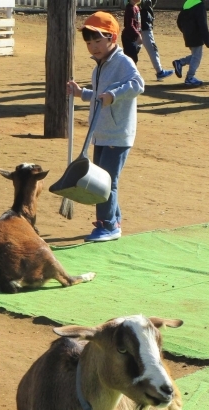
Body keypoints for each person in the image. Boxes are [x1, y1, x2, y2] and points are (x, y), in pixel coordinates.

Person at [68, 11, 145, 242]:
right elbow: (101, 98)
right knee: (104, 180)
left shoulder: (122, 62)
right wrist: (83, 93)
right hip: (100, 133)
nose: (93, 47)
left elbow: (137, 84)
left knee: (105, 183)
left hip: (117, 134)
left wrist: (114, 94)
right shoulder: (99, 67)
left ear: (112, 37)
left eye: (98, 41)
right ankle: (114, 220)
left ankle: (108, 226)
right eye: (89, 43)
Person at [172, 0, 209, 87]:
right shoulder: (200, 6)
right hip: (196, 35)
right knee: (197, 57)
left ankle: (180, 62)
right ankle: (190, 77)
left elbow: (179, 21)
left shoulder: (188, 3)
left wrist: (185, 31)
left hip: (188, 34)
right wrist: (207, 40)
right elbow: (202, 24)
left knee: (195, 55)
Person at [140, 0, 175, 81]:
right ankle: (160, 72)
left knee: (133, 51)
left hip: (142, 24)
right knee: (152, 49)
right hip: (144, 25)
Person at [121, 0, 143, 65]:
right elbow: (129, 25)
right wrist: (138, 35)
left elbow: (138, 23)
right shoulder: (130, 9)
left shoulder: (136, 7)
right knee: (131, 59)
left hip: (134, 37)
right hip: (128, 37)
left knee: (133, 59)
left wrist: (140, 33)